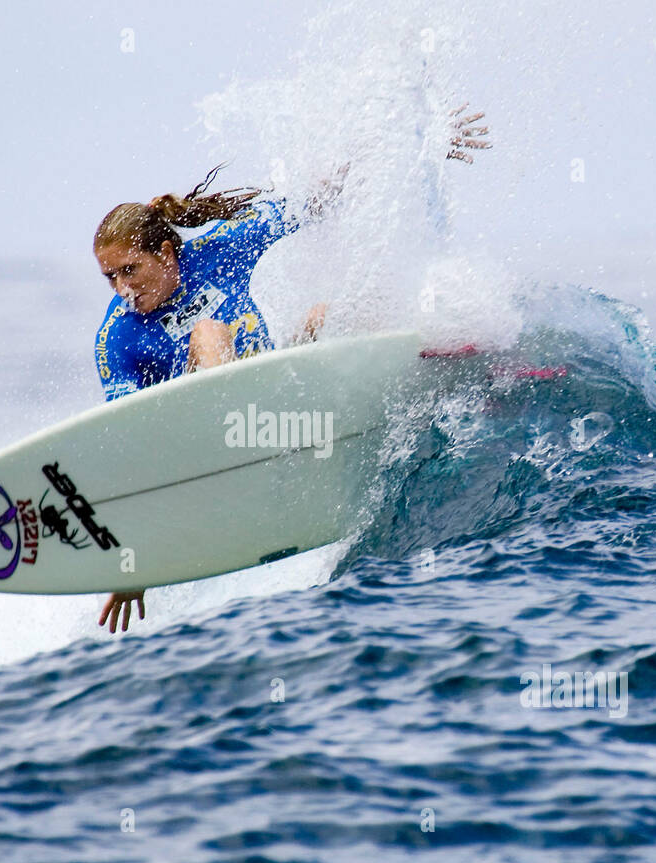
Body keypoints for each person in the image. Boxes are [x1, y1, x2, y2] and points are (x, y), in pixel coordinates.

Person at [95, 106, 492, 633]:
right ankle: (247, 456)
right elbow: (130, 446)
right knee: (209, 333)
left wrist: (416, 150)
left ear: (167, 252)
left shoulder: (219, 251)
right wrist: (135, 556)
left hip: (278, 406)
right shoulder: (118, 337)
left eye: (131, 270)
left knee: (328, 313)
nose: (124, 289)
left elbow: (317, 201)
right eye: (110, 278)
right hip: (201, 446)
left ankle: (453, 373)